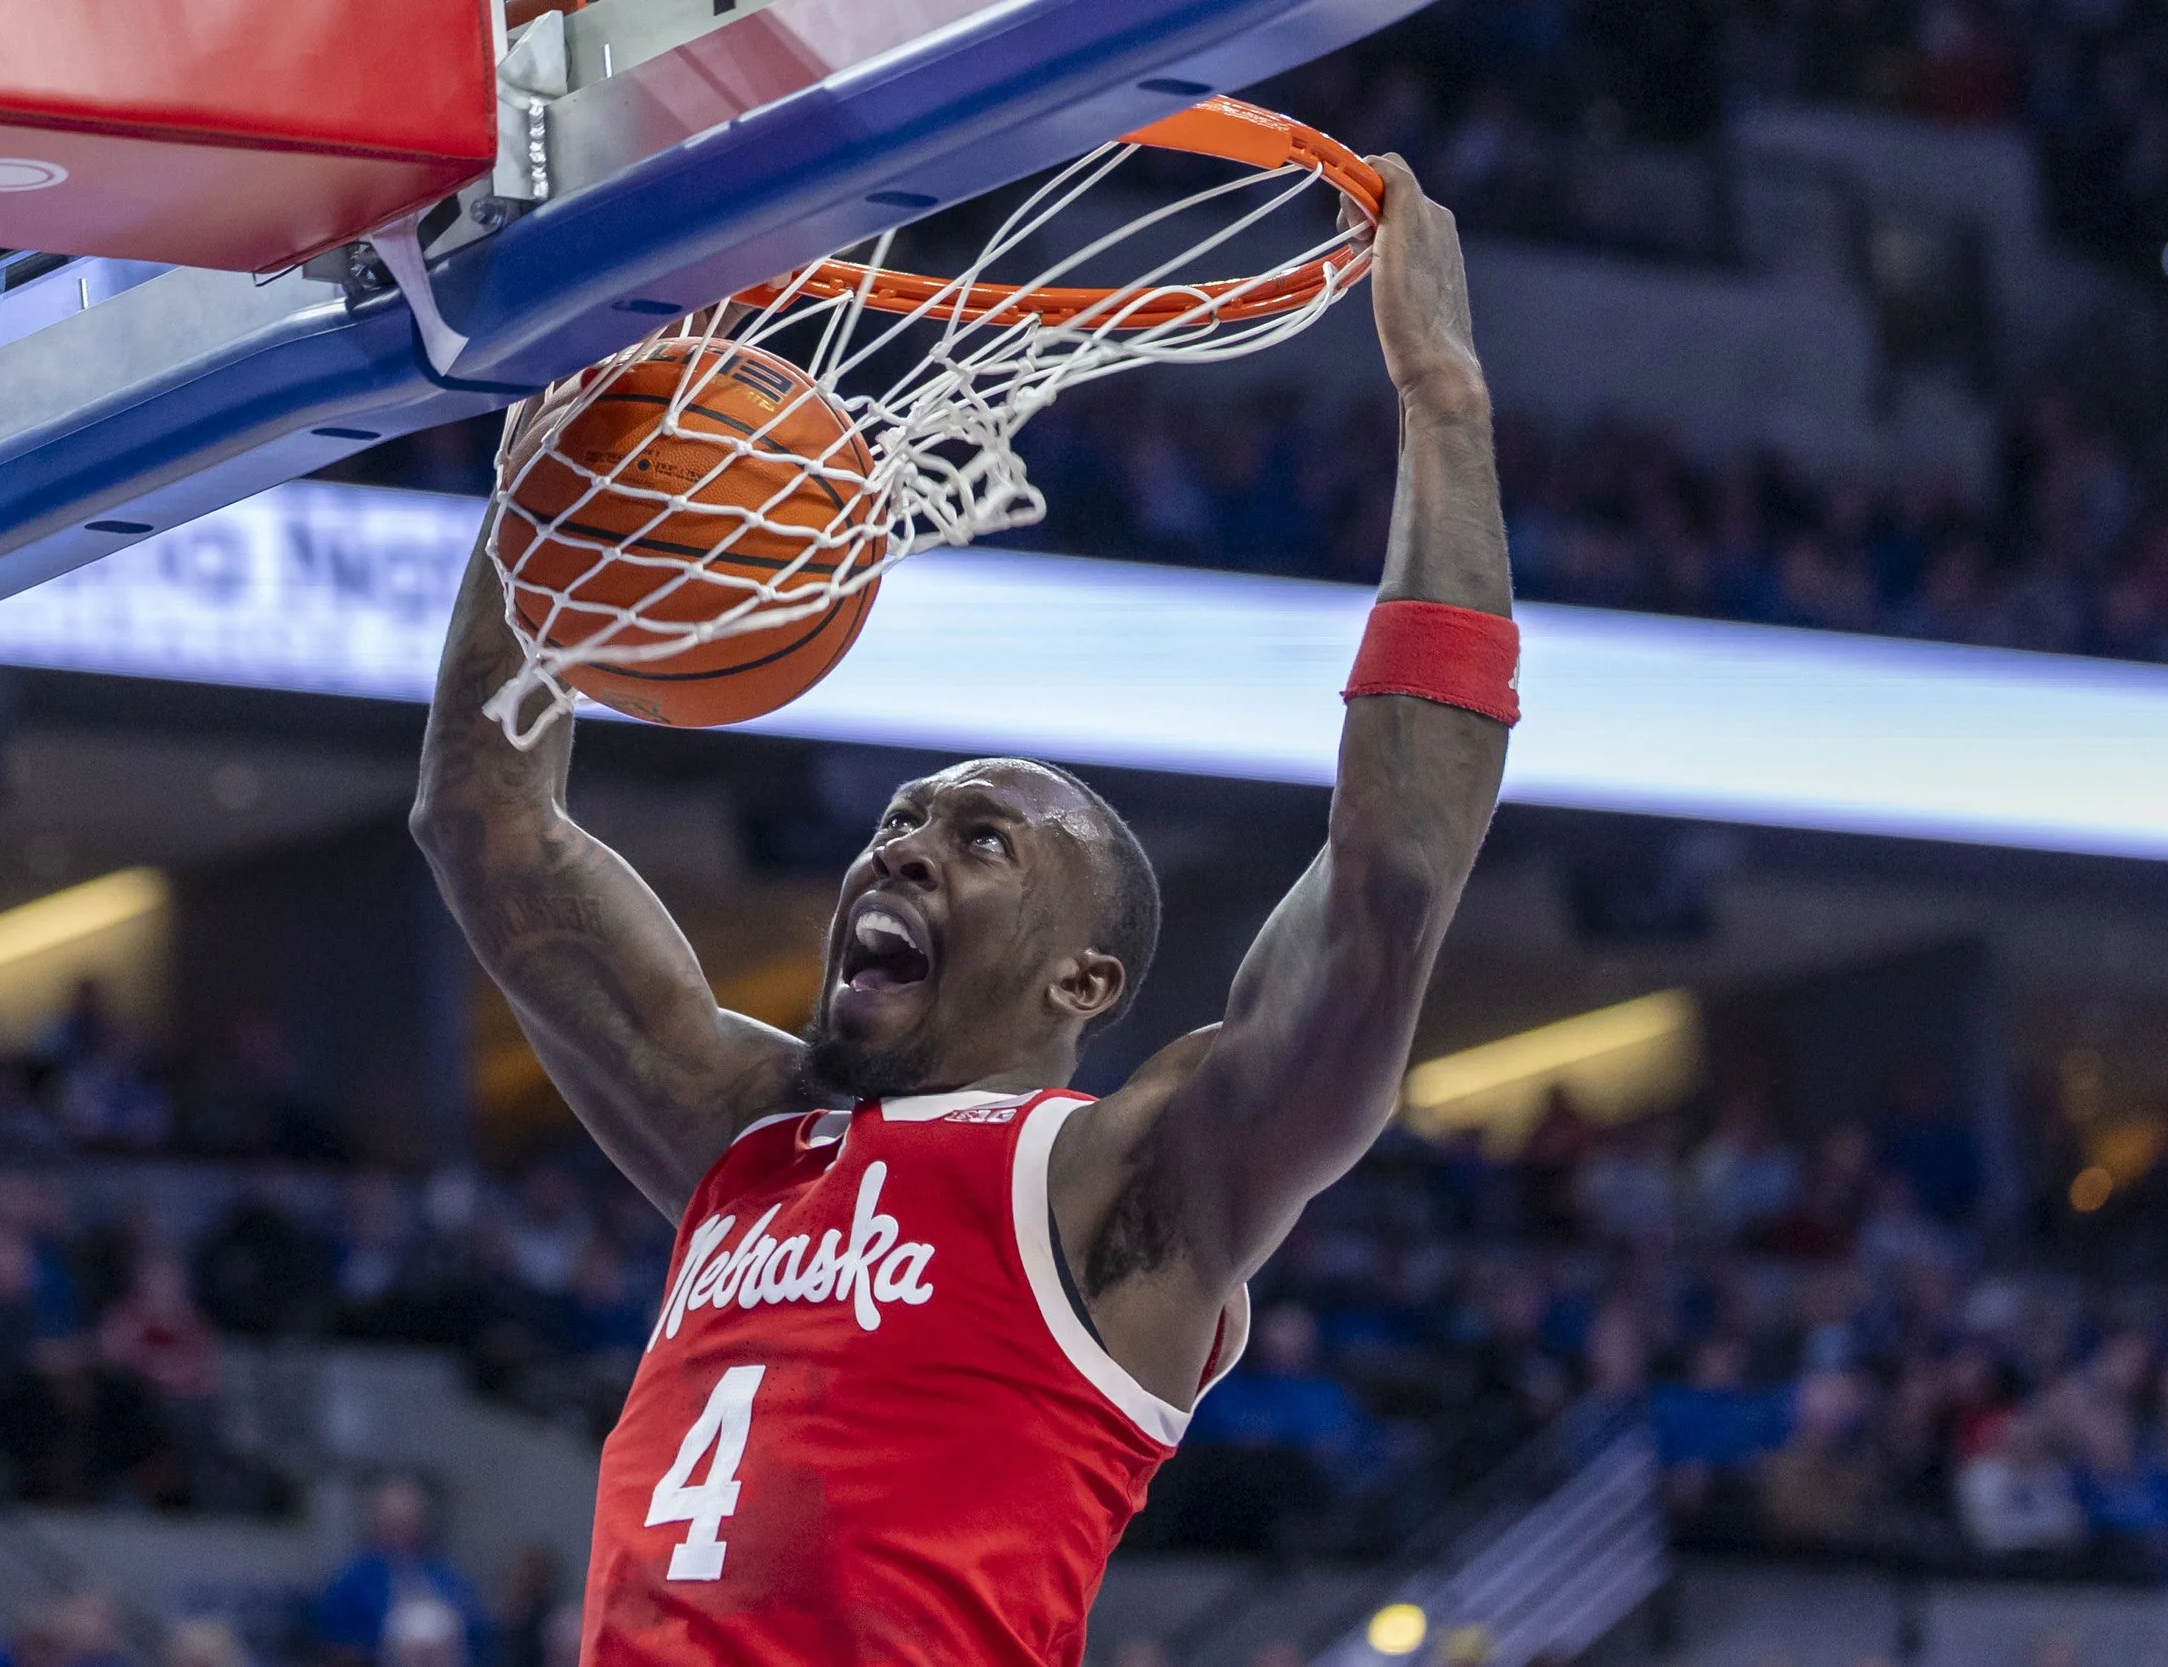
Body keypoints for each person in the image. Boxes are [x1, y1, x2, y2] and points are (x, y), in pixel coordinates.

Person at [413, 159, 1516, 1666]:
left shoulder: (1128, 1182)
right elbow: (484, 823)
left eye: (981, 838)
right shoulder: (745, 1128)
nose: (905, 851)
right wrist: (553, 489)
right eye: (899, 821)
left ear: (1086, 977)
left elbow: (1392, 876)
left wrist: (1445, 400)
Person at [311, 1477, 486, 1667]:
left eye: (408, 1520)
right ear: (376, 1522)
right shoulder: (350, 1584)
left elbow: (475, 1634)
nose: (401, 1529)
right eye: (393, 1521)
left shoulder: (446, 1577)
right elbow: (338, 1649)